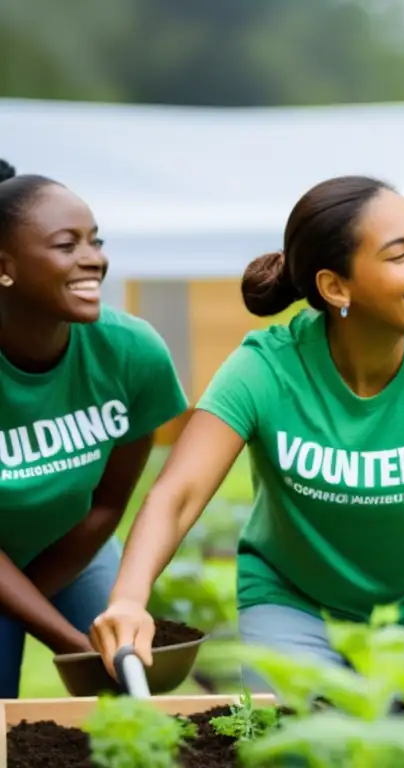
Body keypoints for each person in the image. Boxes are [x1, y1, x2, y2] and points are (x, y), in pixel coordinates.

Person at [90, 175, 404, 684]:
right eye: (399, 254)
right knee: (297, 748)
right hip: (290, 602)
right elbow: (178, 494)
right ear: (335, 286)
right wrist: (128, 599)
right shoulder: (266, 368)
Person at [0, 160, 188, 698]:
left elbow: (108, 506)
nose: (95, 260)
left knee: (131, 678)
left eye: (95, 241)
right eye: (67, 245)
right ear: (4, 267)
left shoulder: (132, 353)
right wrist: (66, 638)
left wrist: (30, 607)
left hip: (72, 545)